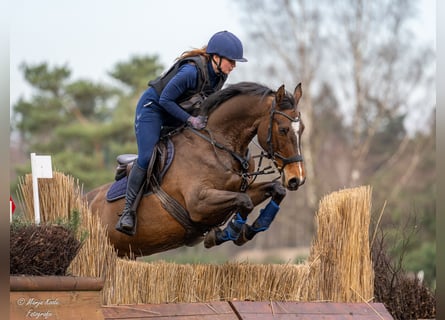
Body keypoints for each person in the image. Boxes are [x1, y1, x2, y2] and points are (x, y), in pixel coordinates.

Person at [115, 30, 248, 236]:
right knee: (148, 156)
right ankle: (127, 212)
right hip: (153, 109)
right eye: (231, 60)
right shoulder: (191, 71)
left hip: (177, 111)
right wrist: (190, 119)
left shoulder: (219, 76)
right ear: (216, 57)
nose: (234, 65)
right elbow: (165, 100)